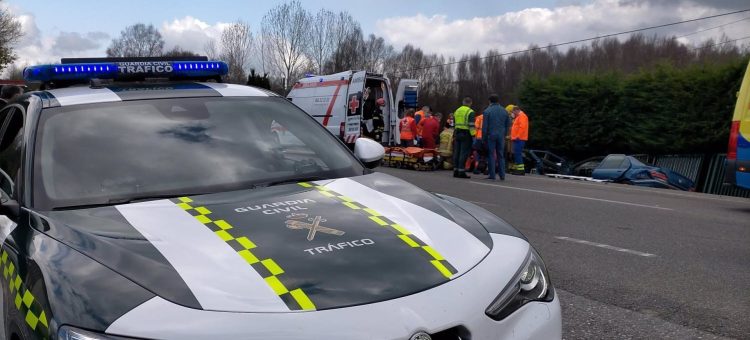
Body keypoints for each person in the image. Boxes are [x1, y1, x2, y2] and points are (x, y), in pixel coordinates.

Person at [482, 95, 511, 180]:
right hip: (501, 135)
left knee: (491, 155)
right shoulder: (504, 111)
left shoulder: (487, 111)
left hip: (491, 135)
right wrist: (504, 134)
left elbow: (484, 127)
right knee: (500, 155)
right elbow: (508, 125)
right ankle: (502, 175)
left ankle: (492, 175)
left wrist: (483, 138)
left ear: (490, 101)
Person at [452, 97, 476, 178]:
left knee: (457, 152)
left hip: (457, 132)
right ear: (470, 103)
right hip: (466, 134)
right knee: (463, 153)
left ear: (463, 102)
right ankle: (461, 171)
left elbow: (454, 123)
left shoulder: (457, 110)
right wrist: (473, 135)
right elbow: (471, 125)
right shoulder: (470, 112)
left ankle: (455, 170)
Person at [508, 104, 529, 175]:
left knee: (518, 154)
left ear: (516, 110)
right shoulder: (519, 116)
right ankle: (519, 169)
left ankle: (520, 170)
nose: (513, 114)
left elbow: (522, 128)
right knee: (517, 154)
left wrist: (517, 136)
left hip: (519, 138)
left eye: (513, 112)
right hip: (518, 138)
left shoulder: (522, 116)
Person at [471, 110, 484, 174]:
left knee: (477, 153)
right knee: (486, 153)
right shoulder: (490, 117)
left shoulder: (479, 117)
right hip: (486, 138)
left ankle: (476, 168)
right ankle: (485, 168)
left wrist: (473, 136)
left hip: (478, 137)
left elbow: (475, 127)